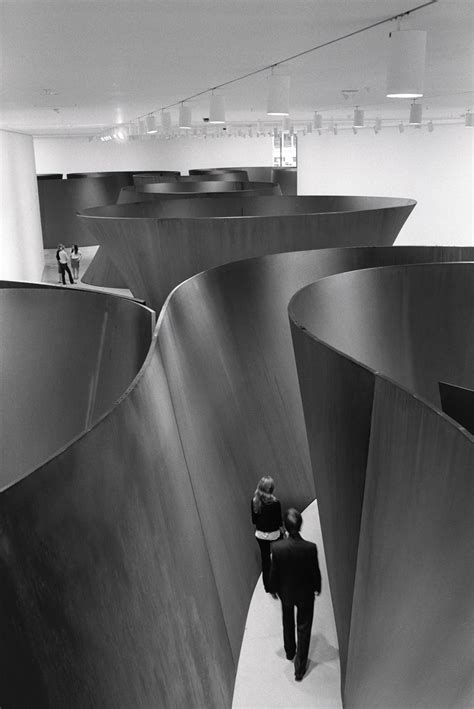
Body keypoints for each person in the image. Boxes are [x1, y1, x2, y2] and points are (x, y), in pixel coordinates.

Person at [269, 508, 321, 682]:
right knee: (304, 628)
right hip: (306, 594)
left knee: (288, 621)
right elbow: (315, 571)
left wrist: (274, 589)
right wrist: (317, 587)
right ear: (300, 525)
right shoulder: (310, 548)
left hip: (287, 593)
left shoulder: (277, 548)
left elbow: (274, 571)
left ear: (284, 525)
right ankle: (299, 669)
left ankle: (290, 651)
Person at [251, 476, 282, 595]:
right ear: (271, 489)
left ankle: (268, 587)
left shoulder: (254, 501)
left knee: (265, 561)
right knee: (277, 558)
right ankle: (278, 583)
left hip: (260, 535)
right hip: (274, 535)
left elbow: (254, 521)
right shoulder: (276, 503)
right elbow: (279, 522)